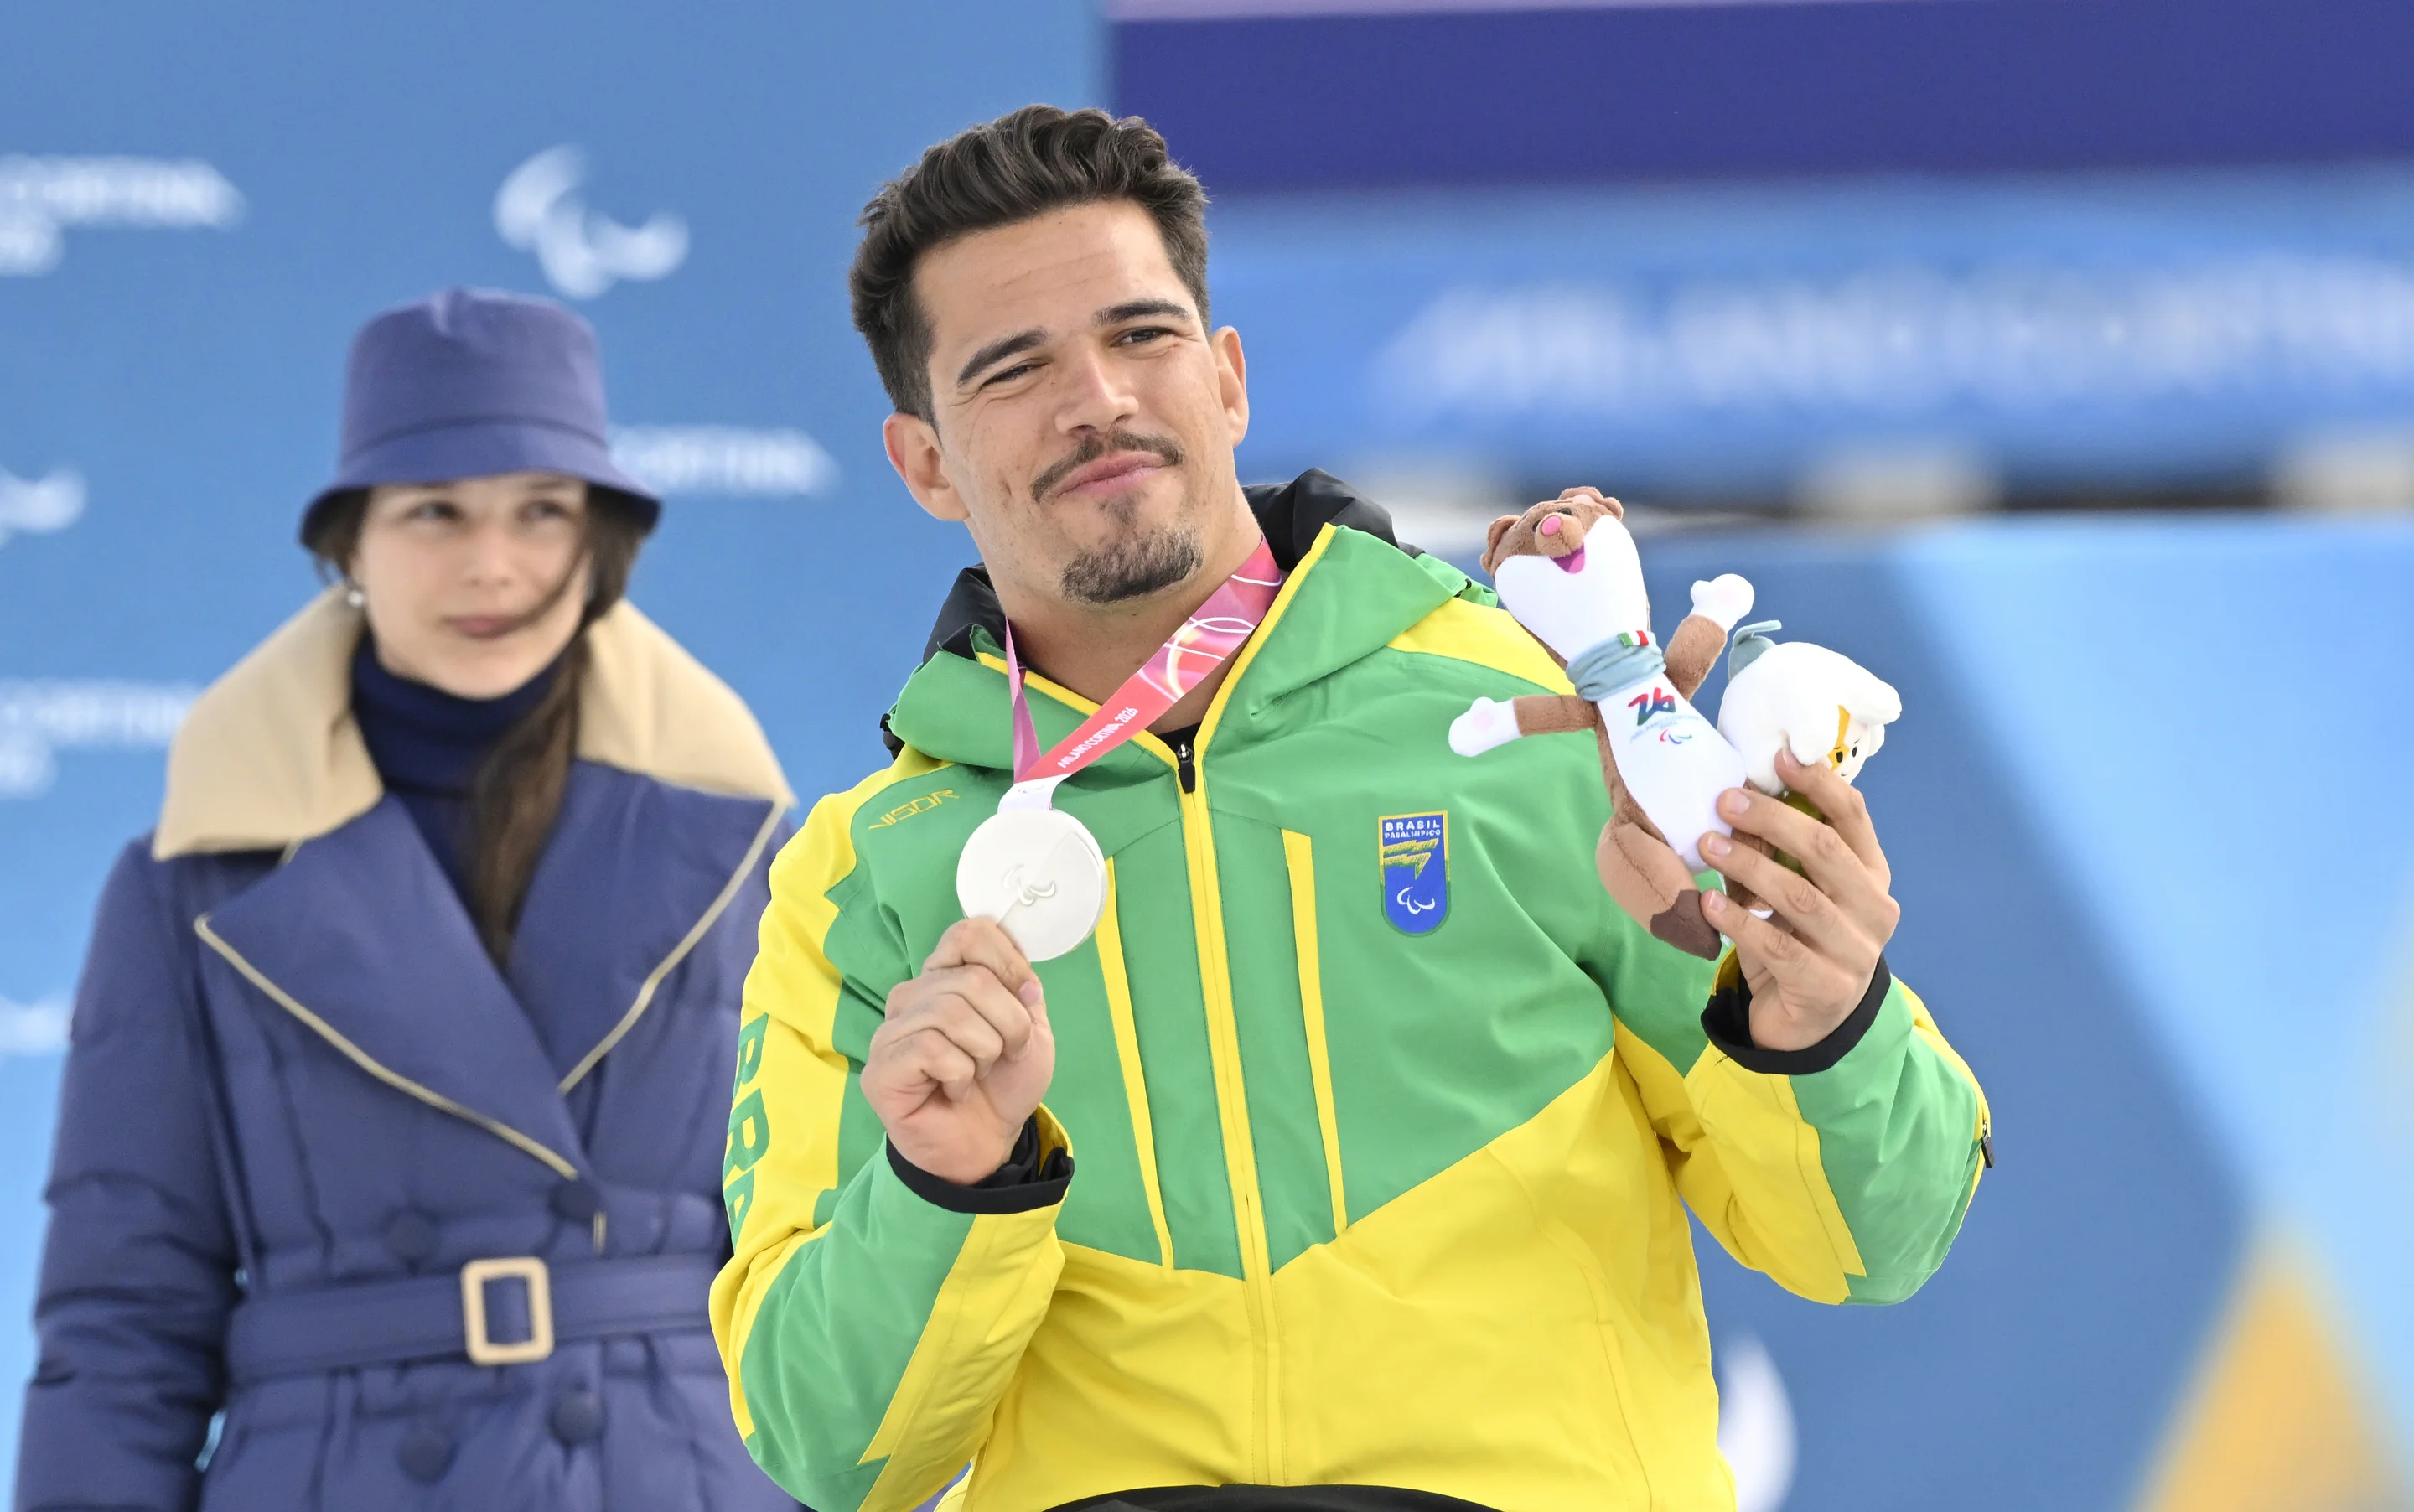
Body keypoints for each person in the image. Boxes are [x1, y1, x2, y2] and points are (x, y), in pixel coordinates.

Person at [711, 109, 1991, 1512]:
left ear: (1228, 377)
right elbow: (825, 1447)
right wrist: (946, 1185)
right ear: (926, 463)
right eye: (1014, 369)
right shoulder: (866, 879)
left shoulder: (1545, 717)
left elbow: (1879, 1236)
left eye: (1141, 335)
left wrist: (1823, 1019)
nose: (1097, 399)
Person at [18, 288, 804, 1509]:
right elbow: (123, 1325)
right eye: (433, 511)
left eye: (542, 513)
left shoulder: (757, 855)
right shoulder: (190, 883)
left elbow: (844, 1282)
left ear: (598, 543)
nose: (492, 565)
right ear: (349, 545)